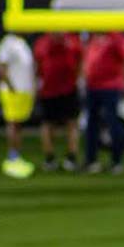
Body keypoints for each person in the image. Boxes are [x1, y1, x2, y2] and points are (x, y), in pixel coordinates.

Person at [83, 31, 124, 175]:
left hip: (111, 86)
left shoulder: (116, 36)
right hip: (92, 86)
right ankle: (91, 160)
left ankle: (117, 161)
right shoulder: (92, 36)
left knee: (113, 123)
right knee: (91, 124)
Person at [33, 32, 83, 172]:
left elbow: (80, 61)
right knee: (48, 125)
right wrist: (37, 84)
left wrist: (78, 79)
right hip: (48, 91)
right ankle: (50, 159)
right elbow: (37, 66)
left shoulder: (73, 42)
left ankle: (71, 158)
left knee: (72, 123)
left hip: (69, 90)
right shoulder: (42, 43)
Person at [0, 31, 35, 179]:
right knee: (13, 123)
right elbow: (1, 69)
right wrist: (12, 88)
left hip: (22, 91)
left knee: (18, 124)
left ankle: (16, 156)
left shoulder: (21, 43)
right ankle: (12, 157)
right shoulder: (7, 43)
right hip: (14, 92)